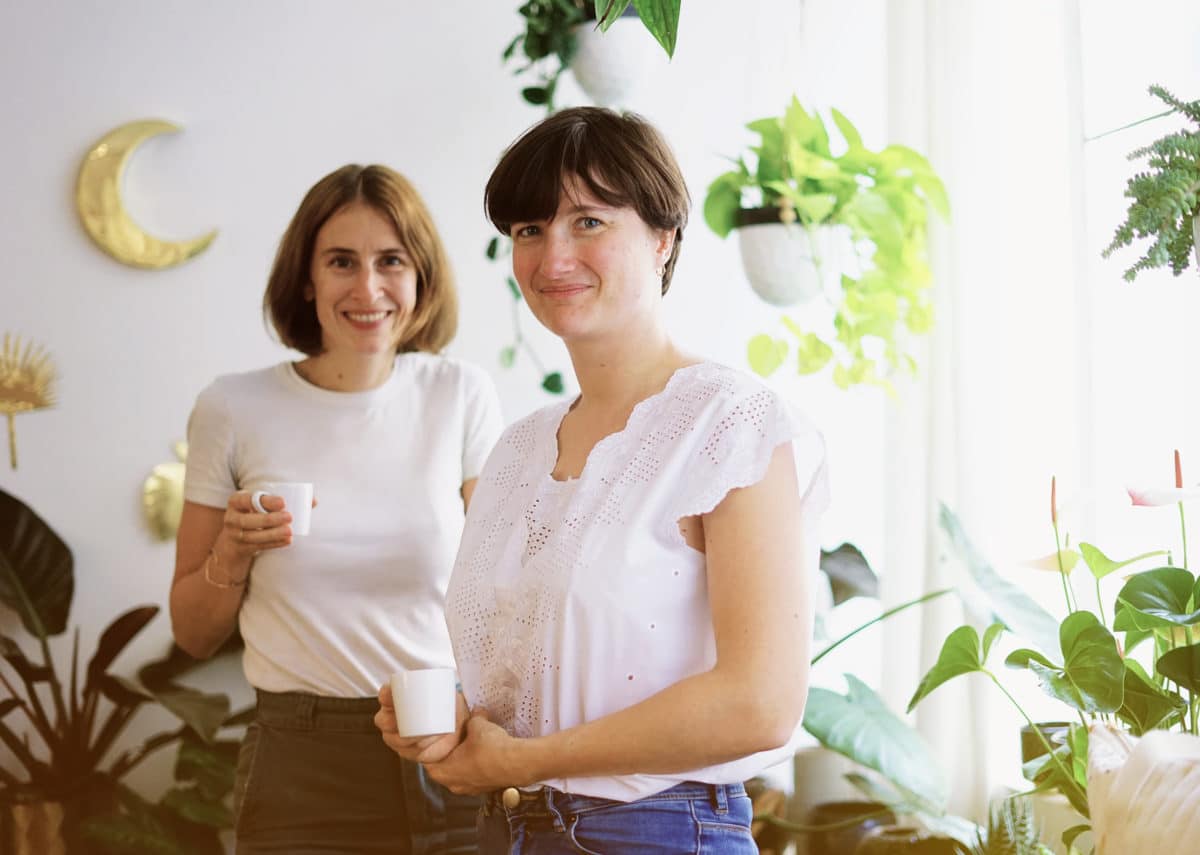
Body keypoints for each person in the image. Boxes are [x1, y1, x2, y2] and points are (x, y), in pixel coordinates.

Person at [375, 108, 830, 853]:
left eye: (588, 221)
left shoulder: (731, 422)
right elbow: (539, 684)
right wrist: (457, 724)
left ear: (662, 237)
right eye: (529, 229)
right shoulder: (517, 449)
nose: (552, 256)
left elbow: (760, 704)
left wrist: (524, 761)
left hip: (661, 833)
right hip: (510, 831)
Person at [170, 163, 503, 854]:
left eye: (391, 261)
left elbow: (504, 592)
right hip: (301, 767)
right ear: (306, 279)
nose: (367, 288)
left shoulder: (460, 396)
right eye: (341, 262)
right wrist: (233, 552)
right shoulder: (232, 408)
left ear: (422, 277)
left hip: (445, 741)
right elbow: (193, 635)